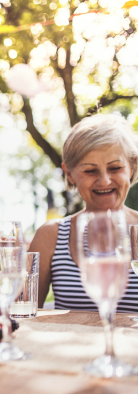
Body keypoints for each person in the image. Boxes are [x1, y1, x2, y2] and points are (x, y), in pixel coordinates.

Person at [30, 114, 138, 312]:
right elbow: (21, 314)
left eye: (115, 168)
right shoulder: (50, 236)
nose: (104, 181)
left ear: (132, 167)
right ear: (69, 173)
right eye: (90, 171)